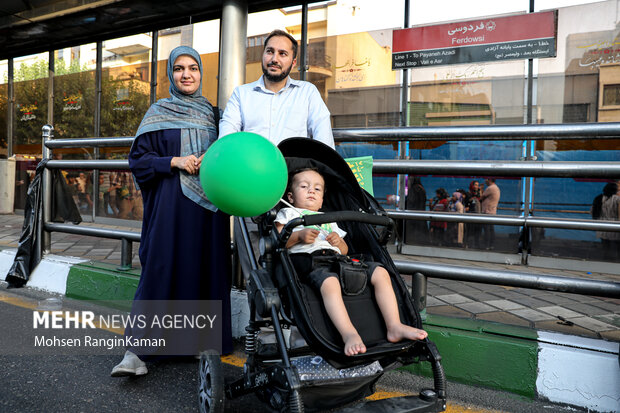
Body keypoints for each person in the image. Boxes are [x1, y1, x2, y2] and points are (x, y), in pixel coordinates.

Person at [111, 46, 232, 377]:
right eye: (179, 69)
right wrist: (173, 162)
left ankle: (194, 343)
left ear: (202, 74)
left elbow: (231, 153)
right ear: (170, 75)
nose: (187, 74)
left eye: (193, 68)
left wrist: (212, 157)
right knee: (161, 270)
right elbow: (138, 160)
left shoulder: (216, 115)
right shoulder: (157, 112)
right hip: (170, 208)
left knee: (202, 268)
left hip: (210, 210)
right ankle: (136, 353)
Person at [275, 168, 427, 356]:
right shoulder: (288, 213)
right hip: (309, 261)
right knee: (331, 283)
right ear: (290, 196)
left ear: (322, 199)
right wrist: (298, 236)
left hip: (339, 260)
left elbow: (345, 249)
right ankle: (349, 334)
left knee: (380, 272)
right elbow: (278, 240)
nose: (311, 191)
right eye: (304, 186)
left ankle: (394, 325)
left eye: (317, 189)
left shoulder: (329, 220)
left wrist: (339, 242)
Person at [219, 29, 334, 148]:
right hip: (251, 165)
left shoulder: (307, 92)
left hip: (294, 165)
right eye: (270, 51)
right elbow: (227, 137)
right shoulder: (241, 94)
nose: (274, 59)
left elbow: (324, 139)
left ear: (293, 62)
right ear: (263, 55)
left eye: (282, 53)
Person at [595, 182, 620, 261]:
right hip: (614, 226)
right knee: (617, 246)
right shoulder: (617, 199)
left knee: (606, 246)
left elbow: (593, 211)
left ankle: (606, 260)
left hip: (602, 226)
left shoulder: (598, 198)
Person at [405, 176, 429, 244]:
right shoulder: (421, 188)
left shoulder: (414, 189)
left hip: (414, 214)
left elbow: (411, 201)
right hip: (421, 212)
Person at [480, 178, 500, 249]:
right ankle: (491, 245)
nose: (485, 180)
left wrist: (481, 189)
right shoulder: (496, 188)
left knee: (487, 229)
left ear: (490, 180)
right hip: (492, 211)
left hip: (487, 211)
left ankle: (487, 245)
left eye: (487, 179)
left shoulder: (490, 188)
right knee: (491, 229)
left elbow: (481, 197)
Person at [464, 180, 482, 249]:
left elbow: (480, 199)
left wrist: (480, 192)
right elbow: (467, 204)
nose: (477, 186)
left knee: (477, 231)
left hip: (478, 215)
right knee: (470, 231)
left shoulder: (478, 194)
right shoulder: (468, 194)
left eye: (478, 185)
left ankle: (476, 245)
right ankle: (468, 244)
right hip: (471, 215)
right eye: (476, 185)